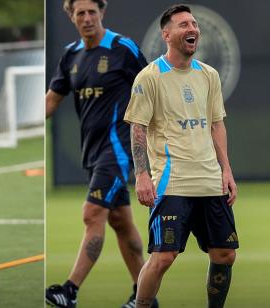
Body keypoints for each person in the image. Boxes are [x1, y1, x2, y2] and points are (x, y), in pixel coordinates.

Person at [123, 4, 239, 308]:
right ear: (167, 34)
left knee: (225, 255)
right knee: (163, 258)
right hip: (171, 183)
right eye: (184, 24)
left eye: (195, 24)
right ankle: (142, 305)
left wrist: (226, 170)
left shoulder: (209, 75)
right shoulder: (149, 77)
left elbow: (216, 125)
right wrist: (141, 174)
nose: (192, 29)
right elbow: (137, 130)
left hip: (210, 181)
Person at [45, 1, 155, 307]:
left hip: (120, 149)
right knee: (120, 220)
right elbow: (52, 99)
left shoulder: (123, 48)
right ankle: (145, 297)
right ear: (71, 16)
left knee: (92, 213)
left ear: (102, 13)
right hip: (92, 152)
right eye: (80, 12)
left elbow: (152, 88)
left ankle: (69, 290)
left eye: (92, 11)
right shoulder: (71, 55)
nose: (87, 17)